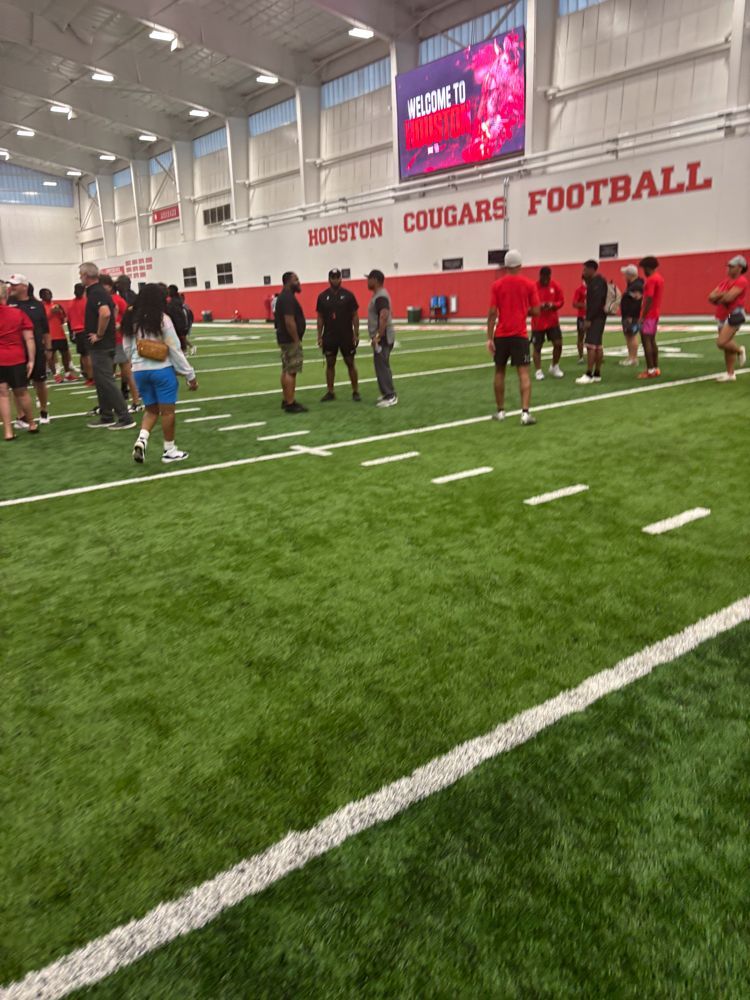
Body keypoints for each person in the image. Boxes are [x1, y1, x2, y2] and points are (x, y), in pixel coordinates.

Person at [124, 283, 198, 464]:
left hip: (139, 371)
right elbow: (174, 348)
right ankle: (169, 449)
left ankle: (142, 439)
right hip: (161, 369)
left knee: (151, 410)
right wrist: (190, 374)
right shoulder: (162, 319)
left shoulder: (130, 318)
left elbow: (127, 348)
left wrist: (136, 362)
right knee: (167, 412)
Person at [486, 249, 540, 425]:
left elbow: (492, 313)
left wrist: (489, 337)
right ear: (520, 265)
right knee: (523, 373)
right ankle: (525, 413)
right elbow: (537, 311)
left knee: (499, 371)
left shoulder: (497, 285)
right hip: (519, 335)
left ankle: (501, 411)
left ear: (505, 266)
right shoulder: (529, 285)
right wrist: (524, 310)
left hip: (501, 334)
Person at [78, 261, 134, 430]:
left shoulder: (95, 292)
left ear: (87, 276)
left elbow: (106, 312)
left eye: (81, 274)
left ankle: (125, 417)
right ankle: (107, 415)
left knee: (106, 381)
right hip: (105, 343)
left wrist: (100, 334)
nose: (80, 277)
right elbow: (114, 308)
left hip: (102, 344)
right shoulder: (99, 292)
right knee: (102, 381)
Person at [7, 274, 51, 425]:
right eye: (11, 284)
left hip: (37, 349)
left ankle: (44, 411)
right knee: (18, 385)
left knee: (40, 381)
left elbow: (45, 329)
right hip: (16, 350)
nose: (12, 287)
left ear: (24, 286)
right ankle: (21, 416)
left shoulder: (37, 305)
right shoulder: (8, 303)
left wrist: (49, 348)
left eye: (15, 284)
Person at [0, 281, 39, 439]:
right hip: (16, 357)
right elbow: (29, 338)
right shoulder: (17, 313)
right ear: (6, 295)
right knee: (21, 392)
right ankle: (31, 423)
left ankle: (8, 431)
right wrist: (31, 360)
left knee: (2, 394)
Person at [316, 268, 361, 402]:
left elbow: (355, 315)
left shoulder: (348, 295)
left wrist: (356, 333)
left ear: (341, 278)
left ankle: (355, 391)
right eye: (333, 277)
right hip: (329, 336)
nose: (335, 280)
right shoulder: (322, 296)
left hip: (346, 335)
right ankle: (330, 392)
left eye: (338, 277)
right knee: (330, 364)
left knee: (350, 363)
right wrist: (319, 336)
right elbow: (320, 318)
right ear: (329, 279)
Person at [100, 273, 141, 410]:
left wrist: (119, 325)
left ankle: (135, 401)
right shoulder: (110, 299)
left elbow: (130, 317)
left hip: (117, 340)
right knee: (108, 375)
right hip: (110, 340)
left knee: (125, 373)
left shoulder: (116, 300)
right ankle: (110, 404)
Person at [709, 254, 747, 382]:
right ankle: (730, 373)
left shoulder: (741, 280)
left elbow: (728, 298)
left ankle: (739, 350)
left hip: (734, 313)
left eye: (732, 266)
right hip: (722, 313)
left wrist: (720, 295)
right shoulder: (725, 282)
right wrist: (722, 295)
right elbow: (710, 297)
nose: (728, 269)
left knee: (721, 342)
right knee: (726, 346)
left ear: (740, 268)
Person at [275, 272, 308, 414]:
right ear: (288, 282)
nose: (299, 282)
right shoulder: (287, 298)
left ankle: (286, 399)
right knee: (291, 371)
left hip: (284, 339)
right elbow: (289, 321)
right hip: (289, 340)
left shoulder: (284, 297)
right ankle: (290, 403)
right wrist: (296, 340)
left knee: (286, 369)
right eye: (296, 280)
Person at [366, 269, 398, 408]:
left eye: (369, 278)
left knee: (382, 366)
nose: (367, 281)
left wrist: (378, 336)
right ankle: (387, 393)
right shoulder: (379, 295)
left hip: (383, 338)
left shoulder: (380, 296)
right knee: (382, 365)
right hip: (383, 336)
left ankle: (390, 395)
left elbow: (383, 315)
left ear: (376, 280)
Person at [576, 260, 608, 385]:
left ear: (591, 269)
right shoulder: (600, 282)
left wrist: (588, 319)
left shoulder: (596, 283)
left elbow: (595, 303)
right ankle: (597, 373)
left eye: (585, 269)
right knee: (598, 345)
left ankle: (589, 374)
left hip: (596, 318)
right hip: (600, 316)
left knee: (590, 346)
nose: (583, 272)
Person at [531, 266, 564, 380]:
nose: (546, 280)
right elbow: (528, 302)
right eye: (544, 277)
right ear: (540, 276)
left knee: (558, 344)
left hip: (552, 321)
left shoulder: (555, 285)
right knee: (537, 347)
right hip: (538, 322)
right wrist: (539, 306)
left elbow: (561, 300)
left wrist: (553, 305)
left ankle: (554, 366)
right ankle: (538, 371)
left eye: (548, 277)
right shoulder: (533, 287)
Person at [39, 288, 78, 382]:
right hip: (49, 336)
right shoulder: (41, 307)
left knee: (65, 354)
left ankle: (68, 373)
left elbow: (62, 320)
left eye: (50, 293)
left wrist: (60, 313)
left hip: (60, 334)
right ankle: (56, 375)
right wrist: (51, 313)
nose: (49, 295)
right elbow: (42, 321)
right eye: (46, 294)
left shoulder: (56, 306)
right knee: (50, 356)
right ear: (42, 297)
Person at [638, 256, 664, 379]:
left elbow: (649, 298)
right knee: (652, 341)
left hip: (649, 314)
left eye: (643, 268)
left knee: (646, 341)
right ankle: (655, 368)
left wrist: (642, 316)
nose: (643, 271)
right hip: (655, 313)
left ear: (648, 268)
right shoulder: (659, 278)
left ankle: (650, 369)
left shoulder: (651, 280)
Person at [67, 282, 93, 384]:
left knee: (84, 356)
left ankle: (88, 376)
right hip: (86, 330)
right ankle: (91, 377)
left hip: (78, 332)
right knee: (87, 356)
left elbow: (68, 320)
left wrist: (70, 333)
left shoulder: (70, 303)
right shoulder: (87, 302)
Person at [619, 265, 643, 367]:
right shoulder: (633, 285)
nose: (624, 276)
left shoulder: (636, 286)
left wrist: (630, 315)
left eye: (625, 274)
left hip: (631, 316)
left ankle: (633, 358)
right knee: (628, 335)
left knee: (631, 335)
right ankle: (630, 357)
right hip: (628, 315)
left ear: (630, 275)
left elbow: (636, 302)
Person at [572, 276, 587, 364]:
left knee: (594, 337)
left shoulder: (594, 288)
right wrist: (584, 305)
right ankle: (581, 357)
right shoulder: (579, 290)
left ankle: (596, 355)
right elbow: (574, 303)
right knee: (581, 336)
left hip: (592, 316)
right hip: (582, 317)